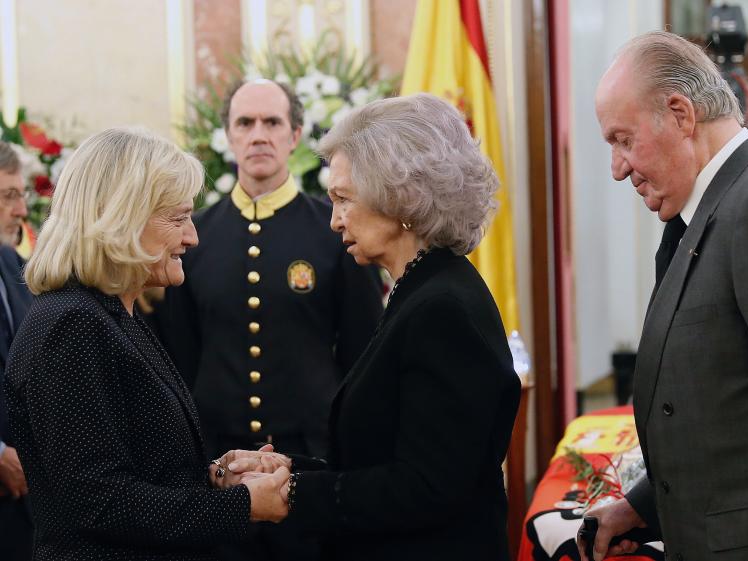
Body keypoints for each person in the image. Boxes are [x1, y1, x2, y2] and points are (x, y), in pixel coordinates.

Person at [236, 93, 521, 561]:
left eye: (343, 199)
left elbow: (427, 487)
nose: (333, 221)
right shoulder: (422, 289)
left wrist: (292, 496)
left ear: (399, 195)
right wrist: (287, 470)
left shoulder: (441, 307)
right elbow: (383, 455)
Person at [3, 127, 291, 561]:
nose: (192, 237)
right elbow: (99, 503)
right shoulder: (72, 326)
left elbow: (138, 466)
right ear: (120, 218)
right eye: (176, 219)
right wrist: (243, 505)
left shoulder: (113, 315)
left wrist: (217, 474)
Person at [580, 31, 748, 561]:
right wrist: (641, 506)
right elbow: (729, 414)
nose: (617, 167)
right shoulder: (710, 208)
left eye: (623, 139)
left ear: (680, 114)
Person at [154, 78, 384, 560]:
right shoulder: (195, 238)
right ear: (228, 136)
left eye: (272, 122)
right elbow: (177, 354)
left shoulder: (334, 232)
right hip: (218, 465)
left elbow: (364, 355)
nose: (259, 134)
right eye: (245, 123)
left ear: (295, 135)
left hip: (309, 462)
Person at [0, 142, 33, 561]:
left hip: (23, 506)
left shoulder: (12, 265)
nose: (22, 210)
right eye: (9, 195)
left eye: (22, 195)